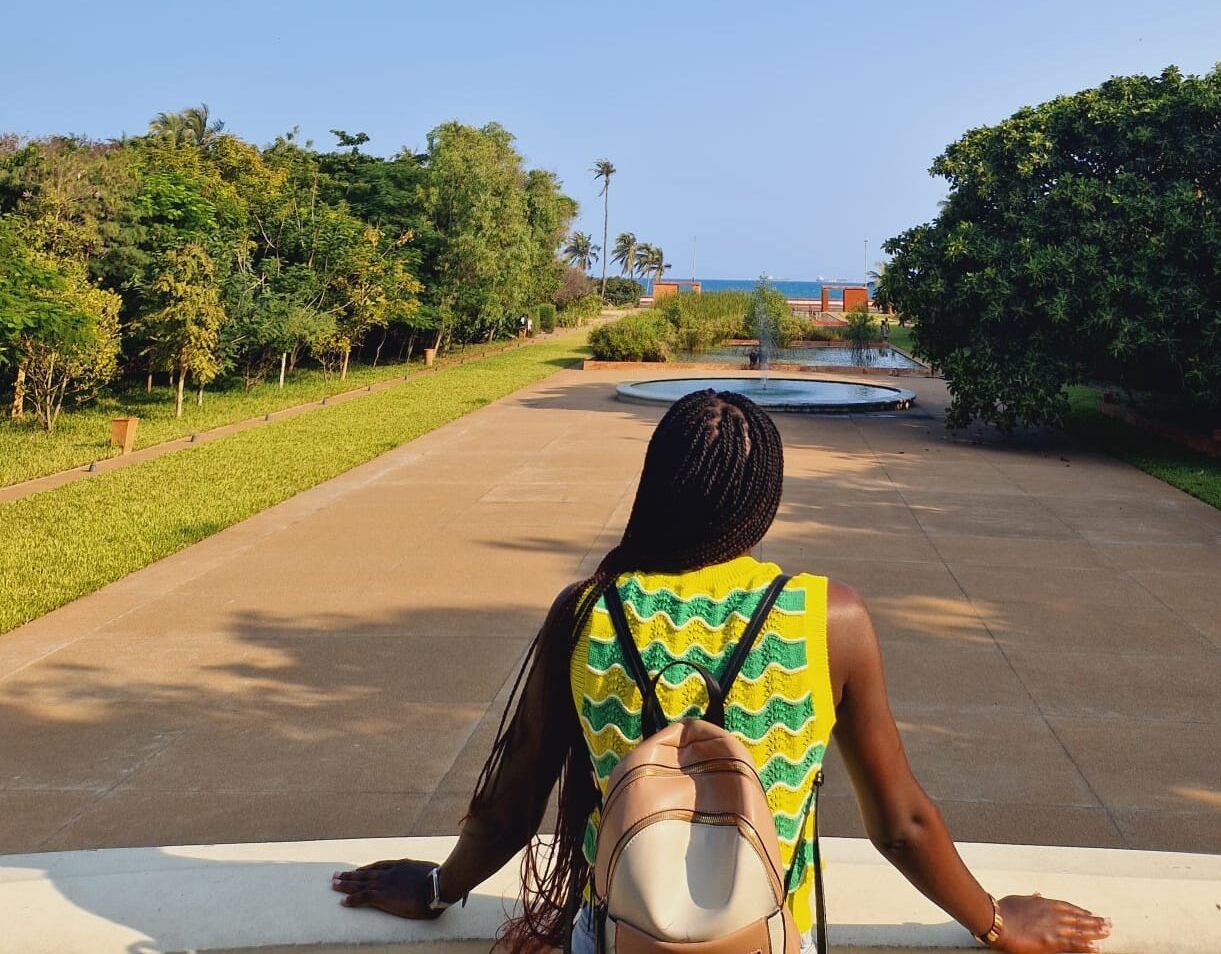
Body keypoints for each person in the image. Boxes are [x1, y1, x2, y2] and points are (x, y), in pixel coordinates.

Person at [331, 390, 1112, 954]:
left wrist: (436, 888)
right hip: (767, 936)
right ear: (762, 503)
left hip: (621, 935)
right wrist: (998, 922)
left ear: (658, 490)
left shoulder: (587, 610)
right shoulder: (826, 617)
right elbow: (902, 824)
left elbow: (510, 807)